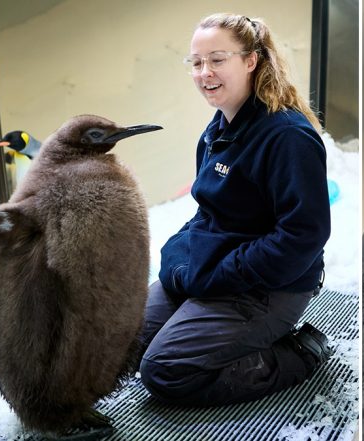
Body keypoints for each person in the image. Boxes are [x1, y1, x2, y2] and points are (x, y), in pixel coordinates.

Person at [137, 13, 333, 406]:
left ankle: (297, 353)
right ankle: (211, 326)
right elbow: (206, 214)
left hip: (271, 286)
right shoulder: (217, 130)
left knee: (165, 370)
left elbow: (302, 237)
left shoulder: (287, 137)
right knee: (121, 340)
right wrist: (178, 259)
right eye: (196, 62)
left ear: (251, 61)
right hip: (219, 272)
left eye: (217, 59)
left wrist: (220, 275)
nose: (204, 72)